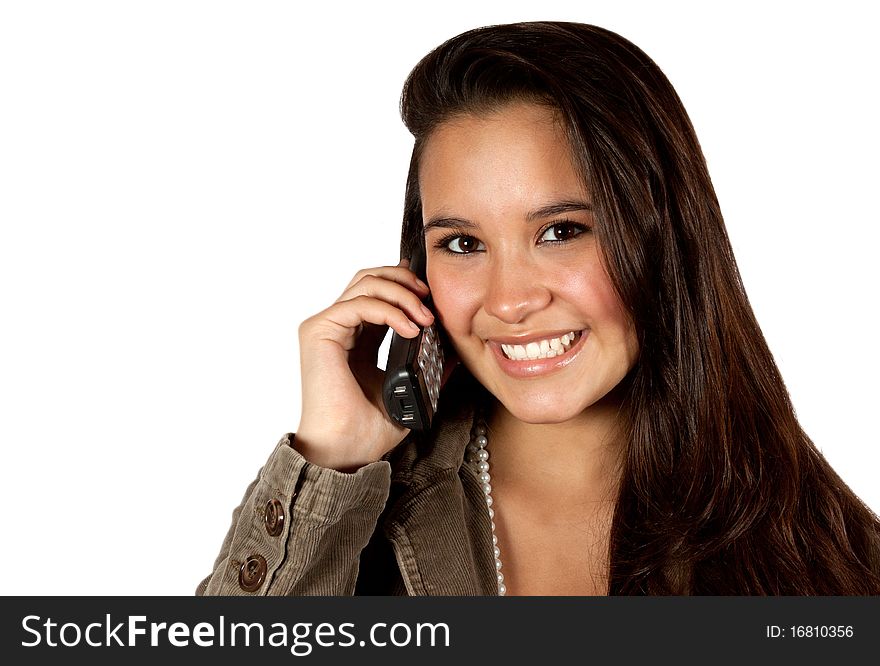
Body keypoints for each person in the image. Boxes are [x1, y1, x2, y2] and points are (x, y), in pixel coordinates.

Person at [197, 21, 880, 596]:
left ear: (662, 236)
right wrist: (331, 464)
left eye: (561, 232)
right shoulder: (357, 506)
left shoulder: (824, 550)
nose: (510, 300)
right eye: (462, 243)